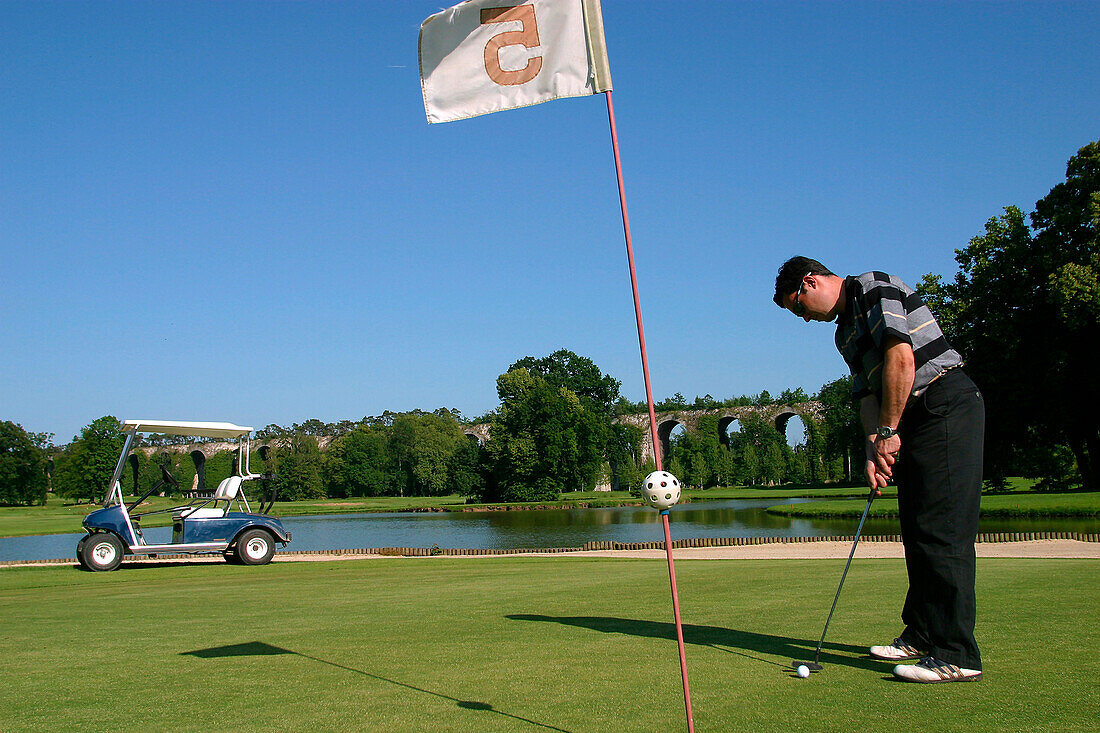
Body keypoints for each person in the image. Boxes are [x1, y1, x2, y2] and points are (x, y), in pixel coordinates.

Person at [773, 256, 985, 683]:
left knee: (942, 530)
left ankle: (957, 653)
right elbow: (867, 395)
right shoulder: (843, 332)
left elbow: (900, 357)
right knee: (918, 529)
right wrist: (874, 448)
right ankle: (923, 634)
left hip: (944, 404)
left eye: (798, 307)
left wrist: (889, 430)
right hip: (912, 418)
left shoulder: (873, 286)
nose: (803, 319)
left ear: (810, 282)